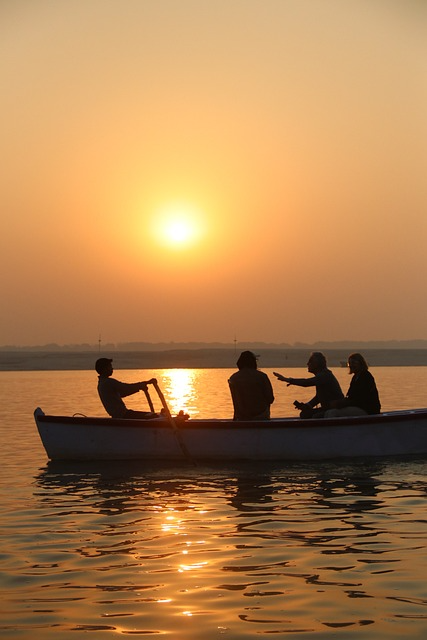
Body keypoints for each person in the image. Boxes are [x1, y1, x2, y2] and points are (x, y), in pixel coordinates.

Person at [273, 351, 343, 418]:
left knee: (313, 416)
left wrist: (288, 380)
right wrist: (307, 406)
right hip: (327, 408)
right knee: (305, 414)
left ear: (316, 364)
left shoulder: (325, 375)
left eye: (310, 362)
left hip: (334, 408)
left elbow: (306, 382)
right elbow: (318, 397)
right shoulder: (322, 375)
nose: (307, 364)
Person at [325, 352, 381, 417]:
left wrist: (341, 403)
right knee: (328, 412)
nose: (351, 365)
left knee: (333, 413)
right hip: (358, 407)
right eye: (350, 363)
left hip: (368, 410)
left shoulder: (366, 376)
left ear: (361, 363)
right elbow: (350, 395)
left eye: (354, 363)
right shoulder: (355, 377)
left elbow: (359, 398)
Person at [228, 351, 275, 420]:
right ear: (254, 362)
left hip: (241, 416)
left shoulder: (233, 378)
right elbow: (270, 399)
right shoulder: (262, 376)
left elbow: (235, 402)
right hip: (261, 415)